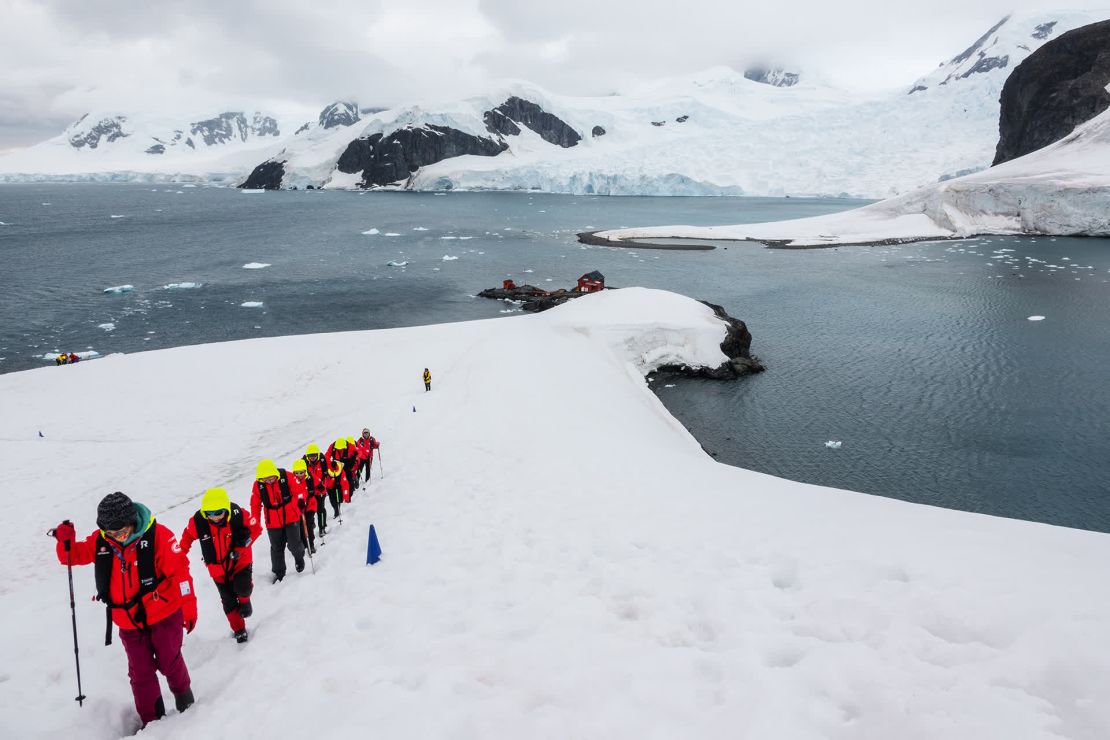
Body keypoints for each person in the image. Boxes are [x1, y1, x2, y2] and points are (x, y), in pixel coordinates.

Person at [51, 492, 197, 728]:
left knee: (169, 661)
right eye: (112, 532)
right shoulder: (102, 542)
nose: (118, 536)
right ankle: (152, 722)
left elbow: (181, 573)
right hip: (128, 621)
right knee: (140, 674)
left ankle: (185, 699)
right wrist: (65, 541)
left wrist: (189, 607)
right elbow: (72, 556)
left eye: (122, 531)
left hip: (164, 613)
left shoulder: (159, 536)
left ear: (132, 521)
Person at [179, 488, 262, 643]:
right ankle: (239, 630)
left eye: (218, 512)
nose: (214, 517)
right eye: (209, 513)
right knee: (228, 601)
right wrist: (179, 555)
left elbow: (257, 529)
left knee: (243, 587)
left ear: (226, 510)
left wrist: (242, 546)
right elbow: (187, 537)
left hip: (240, 562)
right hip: (217, 570)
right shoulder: (198, 522)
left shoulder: (239, 514)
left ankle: (245, 602)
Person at [249, 459, 306, 583]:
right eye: (266, 479)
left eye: (272, 478)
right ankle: (279, 572)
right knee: (276, 548)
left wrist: (301, 502)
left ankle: (299, 557)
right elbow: (255, 505)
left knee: (295, 545)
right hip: (272, 522)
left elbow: (300, 491)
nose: (269, 481)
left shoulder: (287, 476)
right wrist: (256, 522)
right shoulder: (258, 486)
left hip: (291, 517)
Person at [289, 459, 317, 554]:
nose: (299, 474)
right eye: (296, 473)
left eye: (301, 472)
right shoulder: (292, 482)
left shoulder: (309, 478)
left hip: (310, 506)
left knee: (308, 525)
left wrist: (321, 487)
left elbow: (318, 482)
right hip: (298, 508)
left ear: (305, 471)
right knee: (301, 527)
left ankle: (311, 544)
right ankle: (305, 544)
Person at [302, 444, 329, 535]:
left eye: (314, 455)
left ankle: (322, 527)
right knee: (309, 511)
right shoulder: (303, 464)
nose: (312, 458)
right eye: (310, 456)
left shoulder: (323, 461)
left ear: (317, 455)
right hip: (309, 491)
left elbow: (331, 468)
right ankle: (312, 523)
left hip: (321, 490)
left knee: (320, 509)